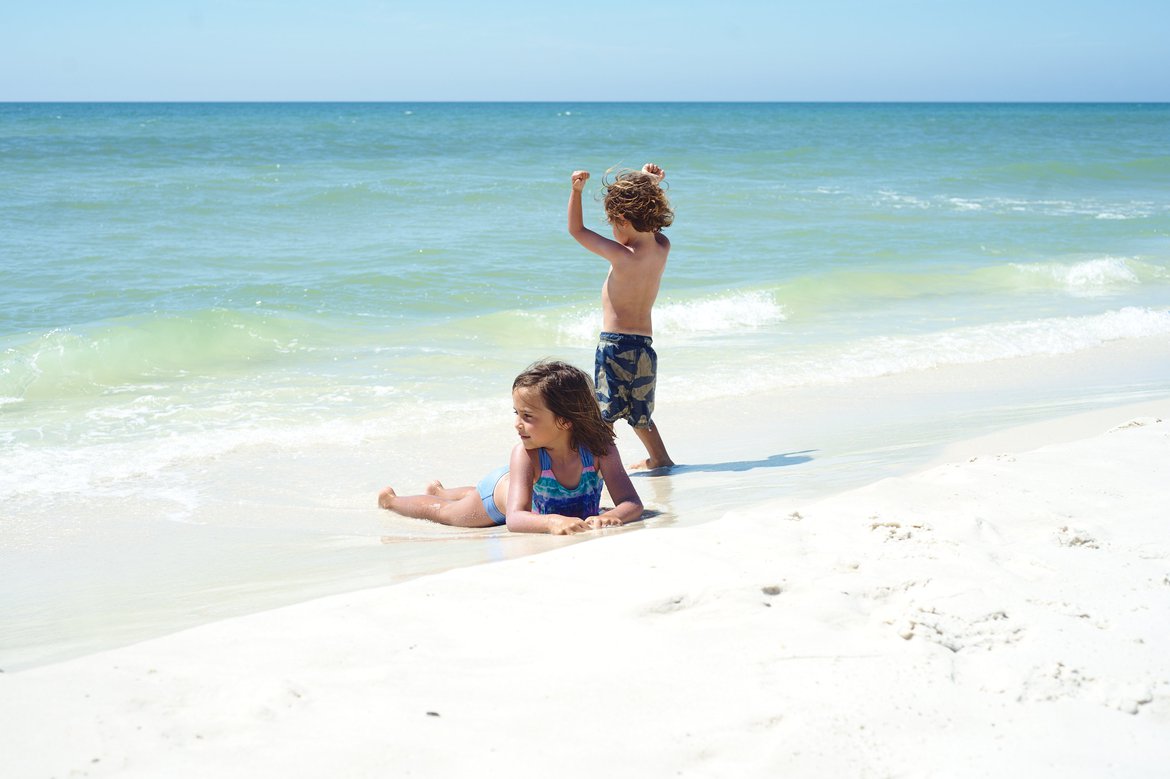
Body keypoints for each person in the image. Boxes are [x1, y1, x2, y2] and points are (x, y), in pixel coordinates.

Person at [377, 360, 643, 535]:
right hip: (497, 496)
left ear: (564, 421)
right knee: (446, 513)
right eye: (516, 413)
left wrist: (614, 517)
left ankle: (443, 490)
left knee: (495, 490)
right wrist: (552, 521)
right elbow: (515, 518)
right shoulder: (526, 455)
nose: (517, 424)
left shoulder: (601, 450)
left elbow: (630, 502)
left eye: (527, 416)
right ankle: (392, 500)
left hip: (517, 484)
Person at [568, 163, 675, 470]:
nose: (613, 231)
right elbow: (650, 224)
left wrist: (576, 192)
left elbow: (577, 231)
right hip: (644, 347)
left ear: (624, 220)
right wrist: (650, 182)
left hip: (615, 346)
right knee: (640, 413)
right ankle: (660, 459)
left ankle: (601, 469)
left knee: (606, 412)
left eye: (614, 223)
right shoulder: (662, 248)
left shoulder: (622, 256)